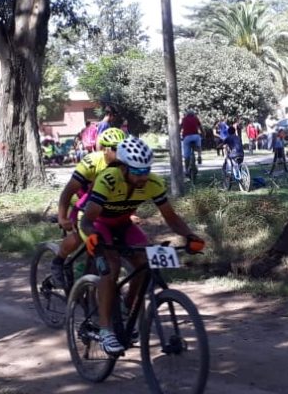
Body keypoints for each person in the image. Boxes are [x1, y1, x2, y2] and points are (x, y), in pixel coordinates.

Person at [79, 136, 205, 355]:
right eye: (137, 172)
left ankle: (127, 309)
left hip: (124, 224)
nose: (143, 177)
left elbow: (171, 218)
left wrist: (189, 235)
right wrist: (92, 237)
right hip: (100, 225)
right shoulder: (108, 179)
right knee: (112, 265)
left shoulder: (154, 183)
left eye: (146, 170)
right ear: (124, 168)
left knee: (144, 262)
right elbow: (87, 221)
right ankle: (106, 329)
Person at [50, 127, 126, 289]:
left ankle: (87, 279)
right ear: (105, 149)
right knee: (79, 234)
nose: (121, 152)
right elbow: (68, 191)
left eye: (123, 147)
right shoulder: (92, 162)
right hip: (85, 197)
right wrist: (62, 217)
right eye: (116, 148)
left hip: (105, 202)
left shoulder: (125, 165)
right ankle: (59, 261)